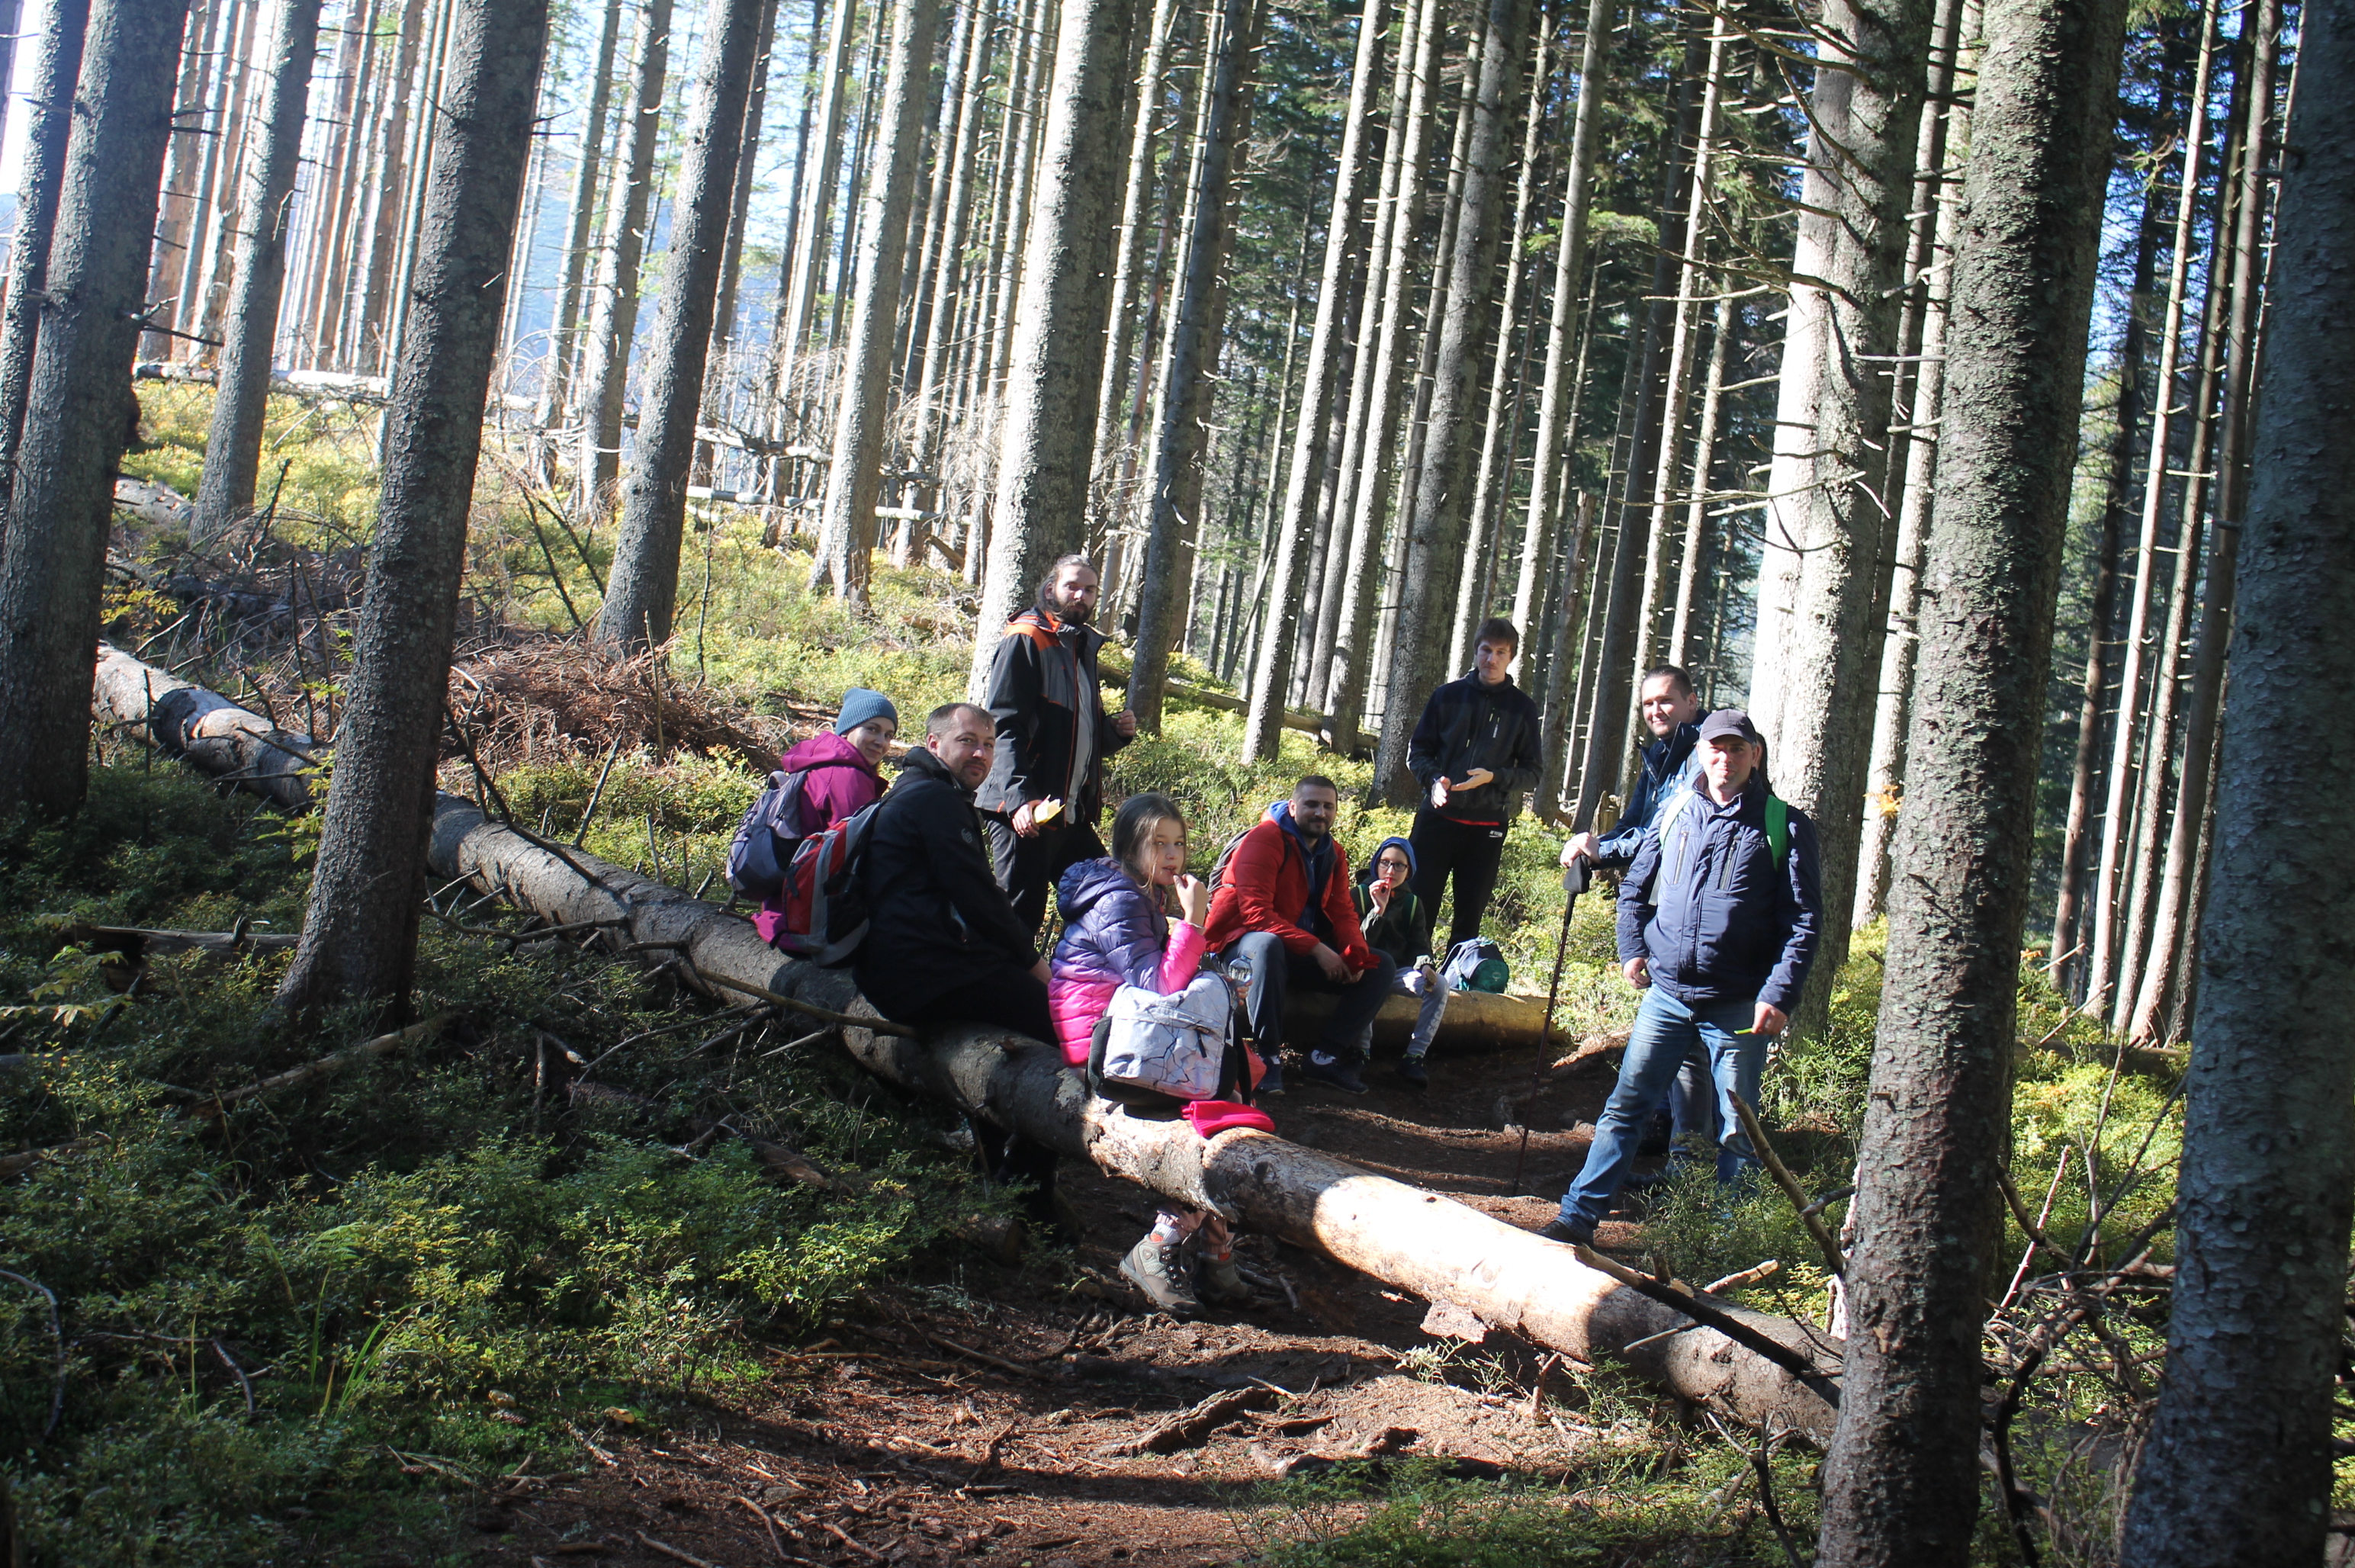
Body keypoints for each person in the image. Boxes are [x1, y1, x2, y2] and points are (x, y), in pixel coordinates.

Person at [1537, 710, 1822, 1247]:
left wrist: (1780, 993)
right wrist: (1632, 950)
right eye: (1716, 748)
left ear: (1755, 755)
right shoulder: (1675, 812)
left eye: (1737, 749)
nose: (1725, 758)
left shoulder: (1783, 824)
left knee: (1738, 1130)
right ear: (1701, 754)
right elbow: (1635, 885)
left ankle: (1728, 1244)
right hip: (1667, 996)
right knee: (1626, 1108)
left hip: (1739, 1003)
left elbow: (1803, 921)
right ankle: (1577, 1218)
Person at [1050, 792, 1253, 1318]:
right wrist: (1194, 919)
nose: (1172, 854)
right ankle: (1161, 1244)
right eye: (1158, 843)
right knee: (1219, 1116)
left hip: (1125, 1034)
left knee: (1236, 1087)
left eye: (1178, 842)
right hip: (1102, 1045)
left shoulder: (1139, 893)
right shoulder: (1119, 900)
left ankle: (1215, 1254)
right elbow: (1158, 985)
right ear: (1128, 847)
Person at [856, 702, 1060, 1220]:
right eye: (967, 741)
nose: (980, 754)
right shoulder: (934, 800)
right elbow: (980, 899)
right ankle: (1028, 1187)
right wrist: (1036, 966)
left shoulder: (919, 791)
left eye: (989, 745)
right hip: (921, 975)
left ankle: (993, 1158)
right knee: (1058, 1024)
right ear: (934, 744)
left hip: (903, 970)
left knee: (1008, 1024)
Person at [1560, 664, 1711, 1160]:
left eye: (1666, 700)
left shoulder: (1705, 753)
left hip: (1690, 905)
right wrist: (1596, 845)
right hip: (1660, 899)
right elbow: (1634, 825)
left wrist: (1604, 849)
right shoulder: (1661, 755)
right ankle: (1664, 1124)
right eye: (1648, 704)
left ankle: (1687, 1147)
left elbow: (1666, 832)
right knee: (1665, 1014)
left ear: (1691, 701)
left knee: (1684, 1025)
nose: (1656, 710)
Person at [1203, 776, 1396, 1094]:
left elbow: (1343, 912)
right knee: (1268, 944)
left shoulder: (1333, 853)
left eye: (1328, 806)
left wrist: (1356, 955)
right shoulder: (1264, 840)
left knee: (1381, 966)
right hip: (1242, 946)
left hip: (1296, 950)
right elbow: (1256, 914)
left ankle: (1324, 1057)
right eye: (1311, 804)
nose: (1320, 812)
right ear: (1293, 807)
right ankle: (1267, 1057)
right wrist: (1318, 949)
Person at [978, 555, 1139, 933]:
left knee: (1112, 900)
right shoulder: (1027, 638)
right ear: (1051, 589)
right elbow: (1004, 726)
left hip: (1066, 814)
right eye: (1072, 587)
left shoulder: (1079, 646)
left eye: (1089, 590)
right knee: (1018, 919)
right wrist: (1020, 799)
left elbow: (1070, 739)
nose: (1081, 596)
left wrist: (1114, 732)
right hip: (1025, 812)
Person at [1405, 617, 1544, 951]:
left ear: (1511, 657)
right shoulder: (1447, 697)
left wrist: (1494, 776)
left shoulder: (1522, 709)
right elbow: (1418, 752)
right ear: (1476, 651)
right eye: (1486, 650)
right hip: (1436, 820)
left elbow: (1532, 773)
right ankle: (1412, 971)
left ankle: (1458, 978)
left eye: (1500, 652)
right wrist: (1434, 781)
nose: (1491, 659)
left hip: (1486, 827)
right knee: (1417, 909)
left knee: (1468, 919)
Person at [752, 688, 898, 949]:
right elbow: (856, 858)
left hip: (781, 913)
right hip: (811, 926)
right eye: (872, 729)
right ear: (847, 730)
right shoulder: (846, 777)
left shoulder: (819, 764)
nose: (881, 742)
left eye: (889, 735)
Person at [1351, 837, 1447, 1091]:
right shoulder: (1359, 895)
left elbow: (1419, 944)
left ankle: (1414, 1057)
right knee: (1367, 977)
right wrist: (1378, 911)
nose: (1391, 871)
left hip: (1399, 972)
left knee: (1440, 986)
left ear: (1409, 870)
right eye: (1385, 863)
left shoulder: (1412, 903)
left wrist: (1426, 966)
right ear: (1376, 864)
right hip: (1366, 968)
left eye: (1399, 865)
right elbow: (1357, 944)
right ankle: (1360, 1052)